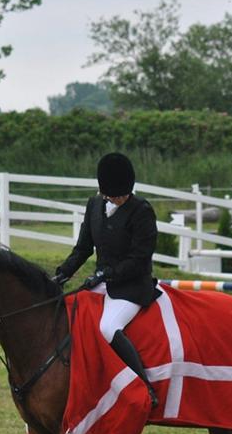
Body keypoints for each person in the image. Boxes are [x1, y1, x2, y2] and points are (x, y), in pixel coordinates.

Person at [53, 152, 160, 407]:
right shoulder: (94, 206)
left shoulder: (142, 211)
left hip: (132, 286)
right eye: (115, 195)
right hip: (102, 284)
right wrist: (62, 273)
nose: (120, 199)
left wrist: (106, 274)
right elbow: (83, 248)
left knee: (108, 327)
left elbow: (140, 257)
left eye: (123, 195)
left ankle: (144, 386)